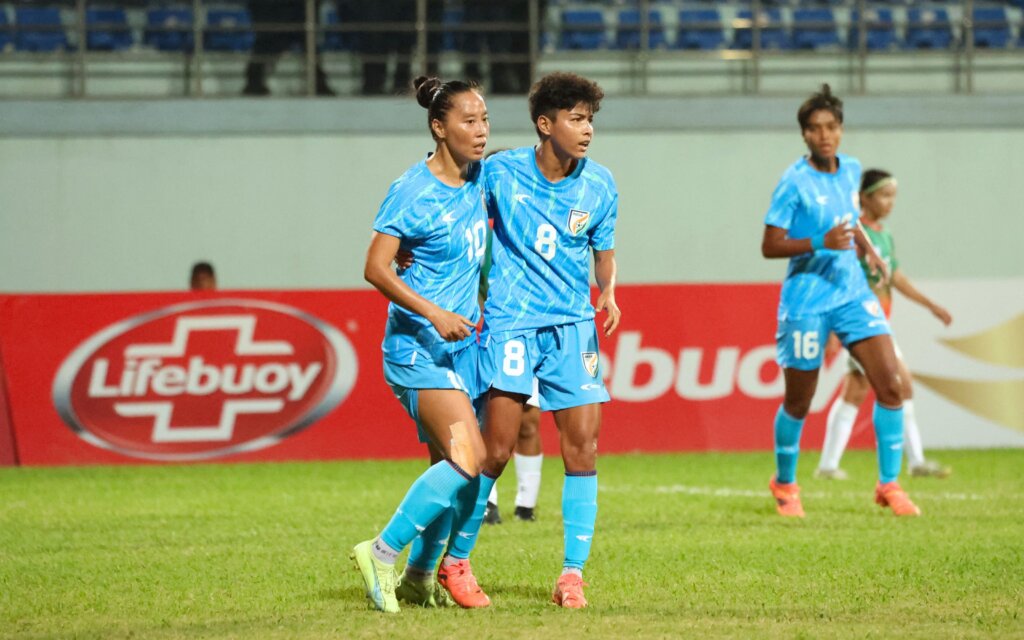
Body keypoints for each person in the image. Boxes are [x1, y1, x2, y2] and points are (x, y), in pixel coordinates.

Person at [459, 72, 620, 608]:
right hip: (511, 325)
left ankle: (572, 575)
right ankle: (455, 560)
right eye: (576, 119)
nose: (587, 129)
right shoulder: (500, 173)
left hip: (574, 327)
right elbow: (451, 200)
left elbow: (604, 253)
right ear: (545, 124)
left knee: (584, 449)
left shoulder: (600, 184)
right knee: (496, 450)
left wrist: (610, 292)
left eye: (590, 119)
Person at [350, 75, 492, 613]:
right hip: (417, 349)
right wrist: (434, 312)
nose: (480, 132)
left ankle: (417, 576)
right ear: (439, 127)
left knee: (453, 475)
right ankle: (380, 552)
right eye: (468, 121)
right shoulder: (412, 189)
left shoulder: (482, 177)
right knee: (468, 459)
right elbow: (374, 267)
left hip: (461, 350)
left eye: (484, 121)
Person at [761, 84, 920, 518]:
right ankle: (785, 483)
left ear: (841, 130)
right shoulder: (793, 182)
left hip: (852, 294)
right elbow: (770, 245)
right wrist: (819, 241)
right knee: (800, 400)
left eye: (830, 127)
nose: (823, 135)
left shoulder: (851, 170)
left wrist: (868, 248)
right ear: (805, 136)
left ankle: (889, 484)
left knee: (891, 384)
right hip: (807, 300)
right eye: (814, 129)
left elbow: (850, 222)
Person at [815, 170, 953, 480]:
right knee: (899, 383)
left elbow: (895, 277)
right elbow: (838, 279)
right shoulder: (854, 234)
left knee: (855, 392)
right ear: (864, 198)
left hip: (877, 324)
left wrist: (930, 305)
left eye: (893, 196)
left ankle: (828, 465)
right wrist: (834, 331)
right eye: (884, 195)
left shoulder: (883, 235)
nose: (890, 202)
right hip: (862, 323)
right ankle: (915, 461)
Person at [242, 0, 335, 96]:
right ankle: (254, 84)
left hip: (299, 13)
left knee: (310, 47)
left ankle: (318, 84)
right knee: (264, 46)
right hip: (273, 15)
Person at [483, 388, 544, 524]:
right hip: (489, 367)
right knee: (486, 414)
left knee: (528, 422)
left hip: (525, 367)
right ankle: (487, 503)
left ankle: (526, 507)